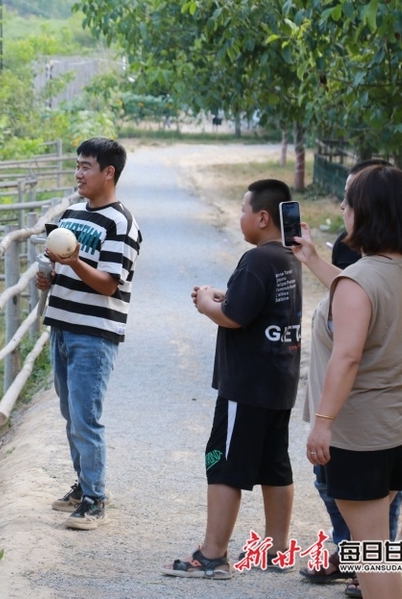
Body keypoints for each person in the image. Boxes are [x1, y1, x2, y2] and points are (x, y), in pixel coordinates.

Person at [300, 164, 402, 596]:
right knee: (378, 553)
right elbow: (365, 301)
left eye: (349, 202)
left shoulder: (362, 279)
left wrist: (323, 421)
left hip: (363, 435)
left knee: (371, 556)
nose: (342, 209)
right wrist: (314, 260)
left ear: (366, 213)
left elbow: (348, 355)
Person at [162, 179, 302, 579]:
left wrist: (207, 303)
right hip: (278, 383)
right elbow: (258, 306)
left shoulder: (256, 259)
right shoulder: (288, 258)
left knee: (222, 463)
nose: (239, 216)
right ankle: (278, 551)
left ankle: (212, 555)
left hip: (246, 386)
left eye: (243, 209)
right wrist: (227, 296)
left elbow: (234, 316)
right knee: (275, 466)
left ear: (261, 217)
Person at [35, 137, 142, 531]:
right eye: (77, 165)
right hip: (62, 326)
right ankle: (84, 486)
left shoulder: (122, 224)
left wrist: (74, 260)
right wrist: (49, 276)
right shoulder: (73, 212)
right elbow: (60, 267)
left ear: (108, 172)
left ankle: (95, 499)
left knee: (86, 417)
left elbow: (109, 284)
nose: (78, 173)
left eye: (86, 167)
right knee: (70, 414)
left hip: (94, 334)